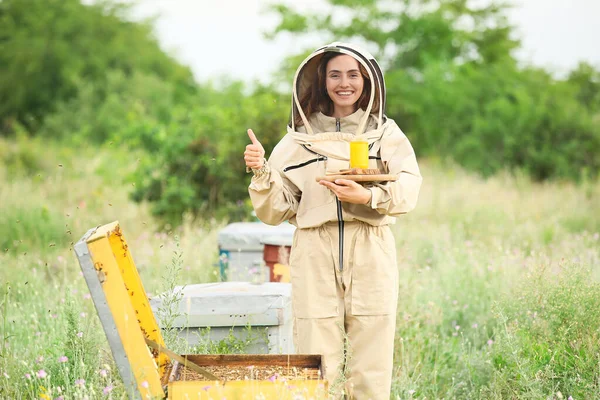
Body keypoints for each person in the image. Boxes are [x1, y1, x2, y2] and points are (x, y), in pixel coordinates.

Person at [244, 42, 422, 399]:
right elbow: (276, 210)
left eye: (353, 75)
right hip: (314, 249)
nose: (345, 83)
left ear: (367, 81)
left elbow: (408, 189)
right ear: (320, 81)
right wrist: (261, 171)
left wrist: (367, 196)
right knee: (315, 356)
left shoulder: (386, 135)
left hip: (371, 246)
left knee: (371, 354)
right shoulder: (297, 139)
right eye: (335, 74)